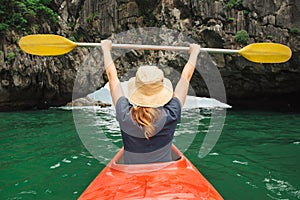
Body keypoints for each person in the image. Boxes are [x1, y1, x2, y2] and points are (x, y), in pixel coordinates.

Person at [101, 40, 201, 164]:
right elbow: (186, 77)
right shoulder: (172, 113)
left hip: (132, 173)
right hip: (163, 173)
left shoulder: (124, 113)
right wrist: (194, 52)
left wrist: (106, 50)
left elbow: (112, 77)